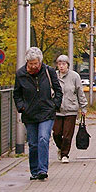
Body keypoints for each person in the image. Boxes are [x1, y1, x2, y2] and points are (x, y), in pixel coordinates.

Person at [12, 47, 62, 180]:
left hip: (46, 112)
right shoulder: (21, 74)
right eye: (31, 64)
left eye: (35, 63)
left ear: (40, 62)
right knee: (33, 143)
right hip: (29, 114)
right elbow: (16, 94)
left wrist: (55, 105)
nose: (33, 66)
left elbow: (58, 90)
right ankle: (34, 171)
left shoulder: (48, 72)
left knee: (43, 139)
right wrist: (21, 107)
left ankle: (42, 170)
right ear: (27, 62)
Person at [53, 54, 88, 164]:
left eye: (63, 64)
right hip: (57, 110)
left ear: (67, 65)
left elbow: (80, 92)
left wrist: (83, 107)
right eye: (59, 64)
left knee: (67, 134)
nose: (61, 66)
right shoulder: (54, 76)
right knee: (56, 133)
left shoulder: (74, 76)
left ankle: (65, 154)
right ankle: (60, 148)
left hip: (71, 109)